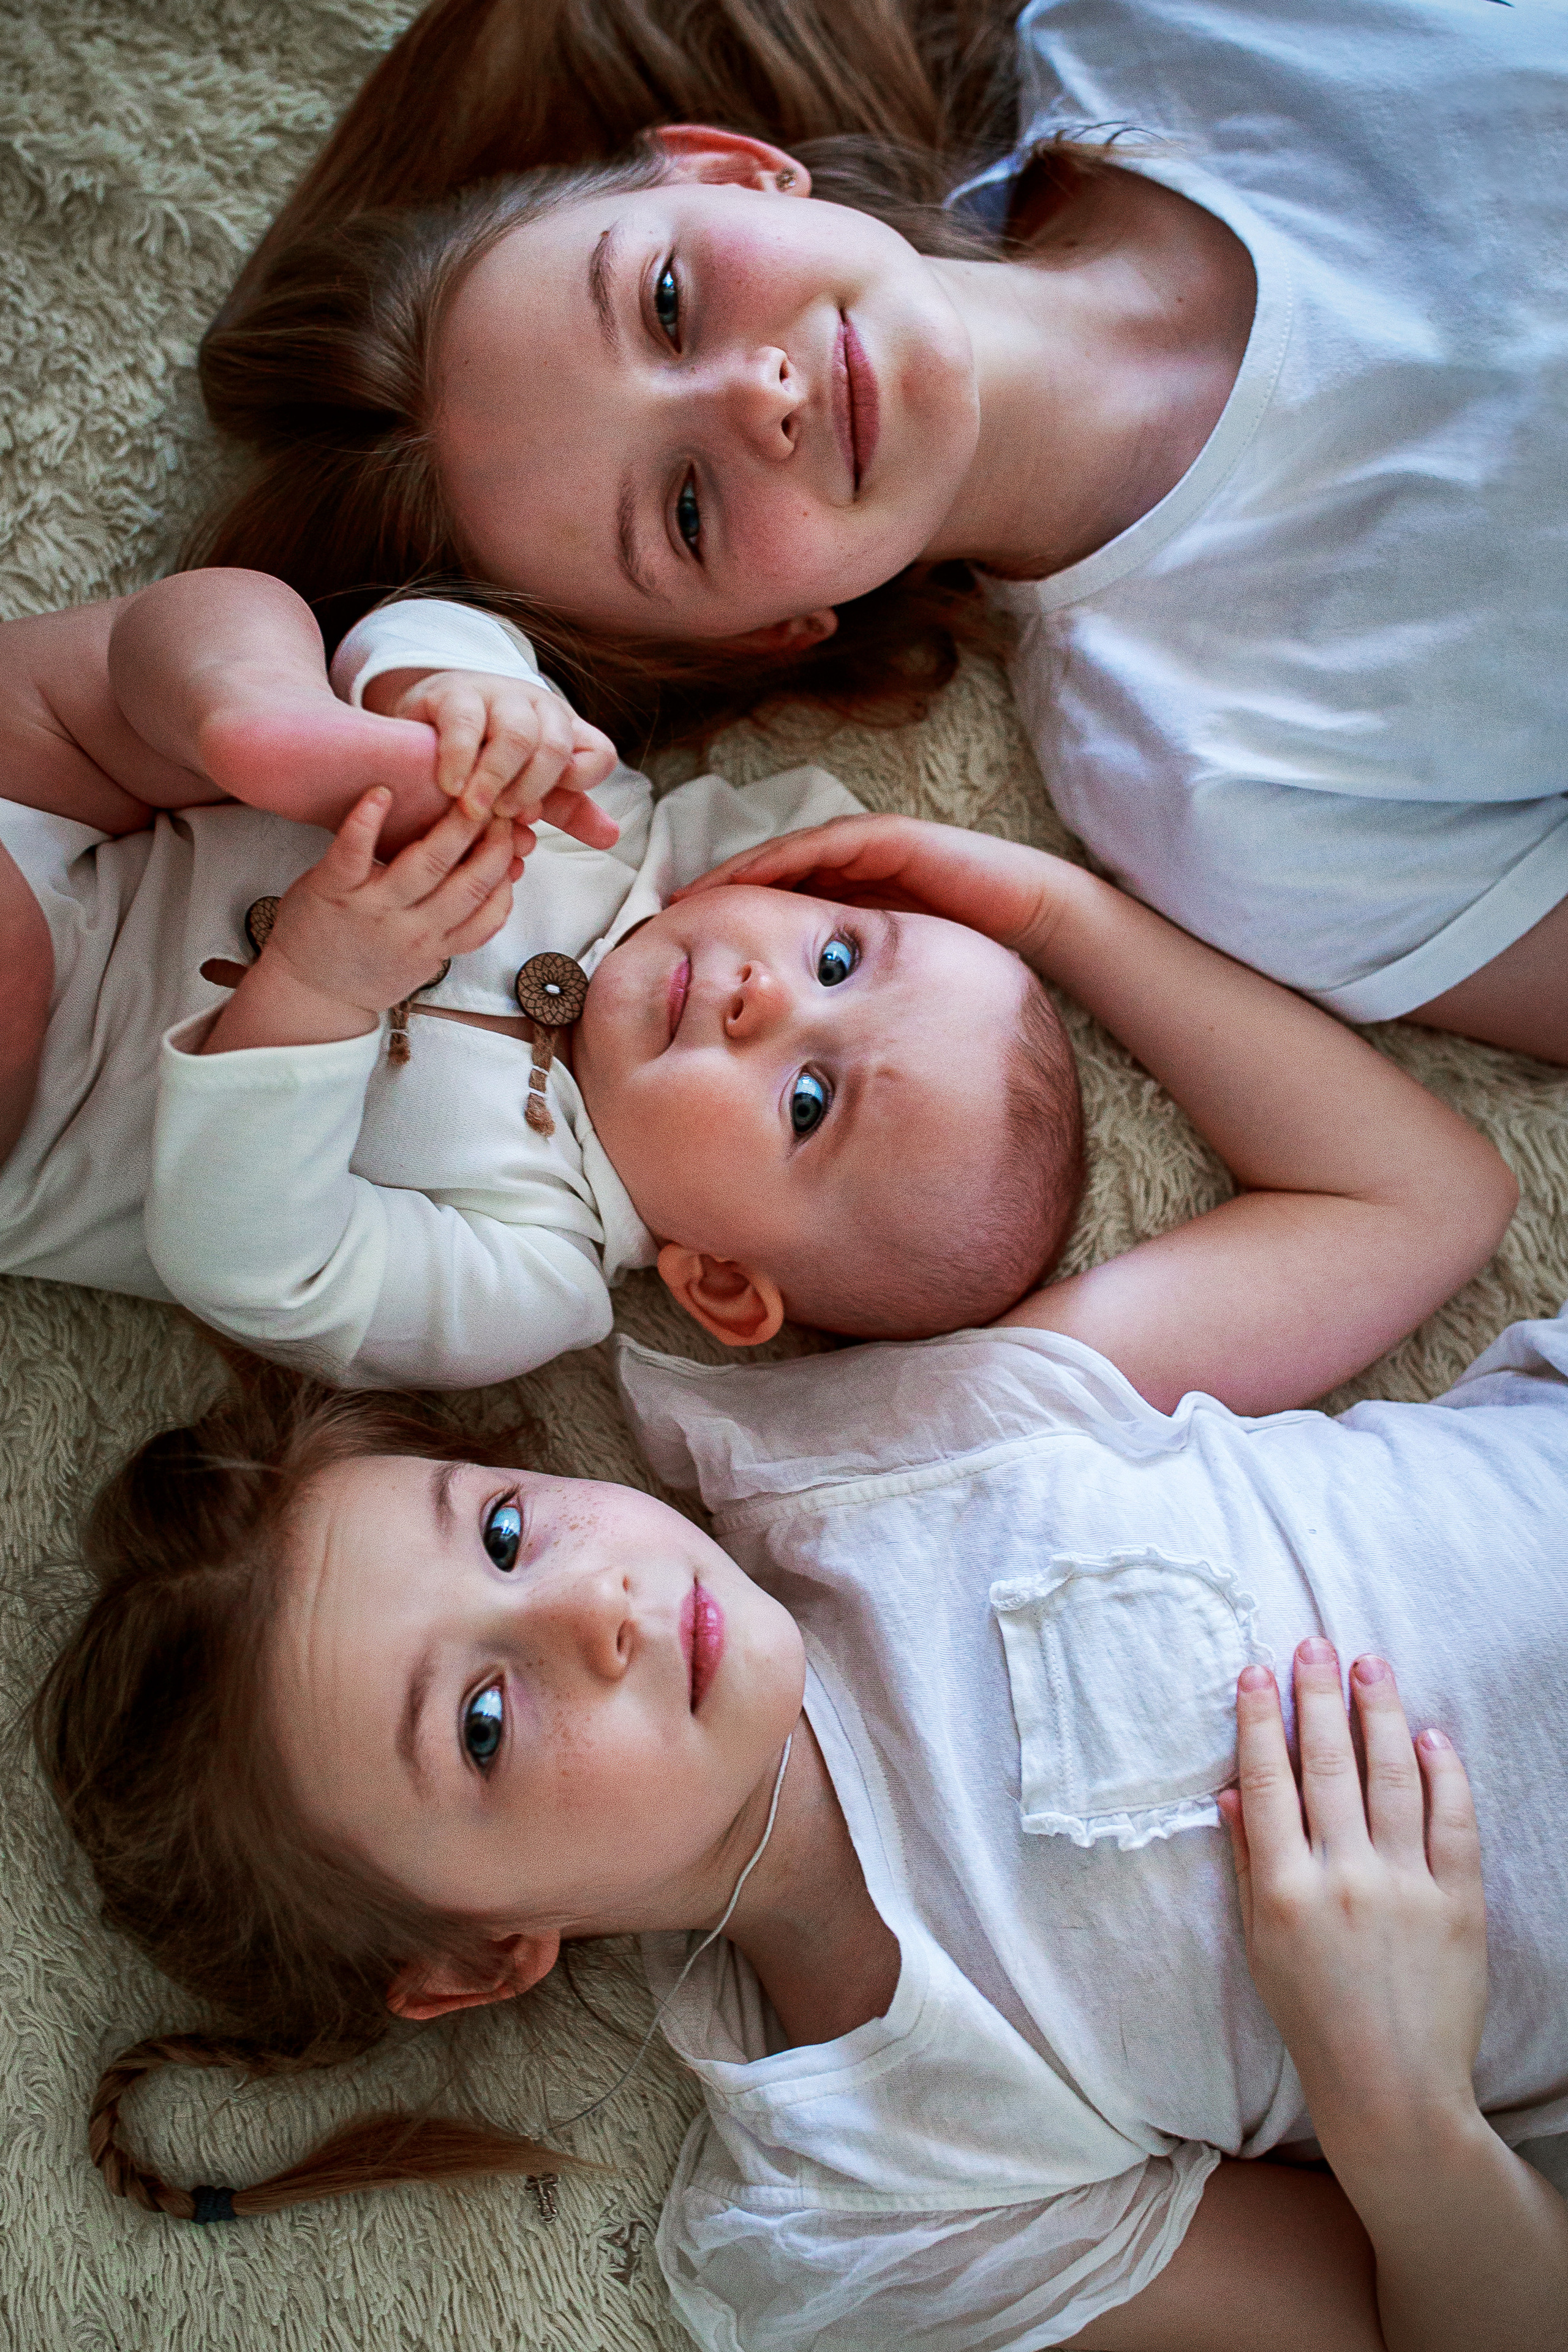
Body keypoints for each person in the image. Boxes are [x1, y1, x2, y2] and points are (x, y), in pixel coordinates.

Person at [33, 809, 1561, 2340]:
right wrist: (1397, 2113)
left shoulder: (894, 1451)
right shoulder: (876, 2195)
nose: (595, 1609)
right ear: (477, 1955)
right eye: (483, 1723)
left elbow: (1421, 1203)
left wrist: (1056, 915)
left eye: (504, 1529)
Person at [190, 0, 1568, 1062]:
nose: (753, 401)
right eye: (683, 511)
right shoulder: (1222, 795)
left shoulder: (1175, 32)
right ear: (774, 634)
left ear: (730, 170)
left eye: (667, 302)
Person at [0, 570, 1085, 1386]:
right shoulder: (609, 831)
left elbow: (255, 1265)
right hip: (88, 797)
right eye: (836, 960)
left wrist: (320, 992)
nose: (771, 998)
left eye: (809, 1101)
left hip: (44, 1087)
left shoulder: (531, 1272)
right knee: (234, 614)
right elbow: (436, 622)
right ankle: (259, 723)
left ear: (716, 1276)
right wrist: (462, 690)